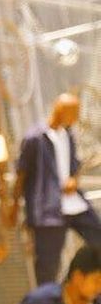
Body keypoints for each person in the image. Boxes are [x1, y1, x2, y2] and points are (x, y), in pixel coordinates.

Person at [10, 93, 101, 284]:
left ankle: (77, 284)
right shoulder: (35, 138)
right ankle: (48, 299)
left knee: (97, 237)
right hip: (48, 211)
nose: (76, 118)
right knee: (48, 265)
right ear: (60, 111)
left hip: (75, 204)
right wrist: (14, 206)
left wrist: (73, 180)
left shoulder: (68, 134)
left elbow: (74, 165)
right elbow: (21, 174)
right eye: (74, 113)